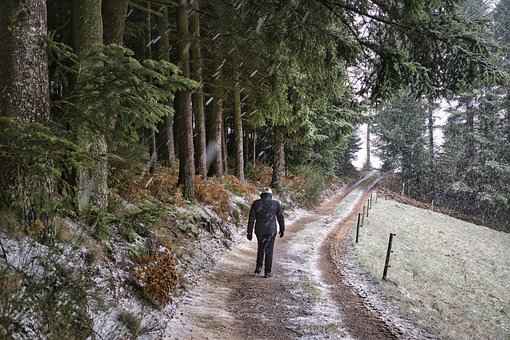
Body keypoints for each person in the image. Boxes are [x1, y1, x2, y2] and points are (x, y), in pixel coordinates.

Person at [246, 187, 285, 278]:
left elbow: (251, 219)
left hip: (259, 230)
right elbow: (280, 217)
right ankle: (267, 272)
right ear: (270, 195)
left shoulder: (256, 203)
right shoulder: (276, 204)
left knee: (260, 248)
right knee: (269, 250)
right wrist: (282, 229)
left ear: (262, 195)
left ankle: (258, 268)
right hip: (271, 230)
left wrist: (249, 232)